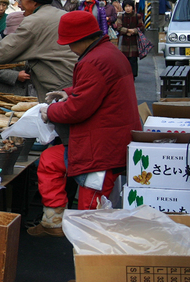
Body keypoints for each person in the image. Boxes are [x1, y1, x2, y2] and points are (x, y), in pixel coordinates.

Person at [28, 12, 142, 236]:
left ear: (82, 40)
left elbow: (78, 109)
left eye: (70, 43)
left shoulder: (94, 61)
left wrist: (50, 111)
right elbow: (93, 90)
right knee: (50, 160)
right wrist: (66, 92)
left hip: (101, 147)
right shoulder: (108, 53)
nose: (69, 48)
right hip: (107, 139)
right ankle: (53, 222)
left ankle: (89, 261)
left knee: (90, 212)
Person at [115, 0, 144, 78]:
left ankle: (133, 75)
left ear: (133, 7)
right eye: (126, 7)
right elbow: (118, 27)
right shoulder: (121, 16)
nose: (128, 8)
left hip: (134, 41)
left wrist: (133, 31)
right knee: (124, 59)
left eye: (129, 6)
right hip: (123, 41)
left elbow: (141, 27)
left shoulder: (137, 16)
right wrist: (127, 31)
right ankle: (126, 75)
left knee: (133, 59)